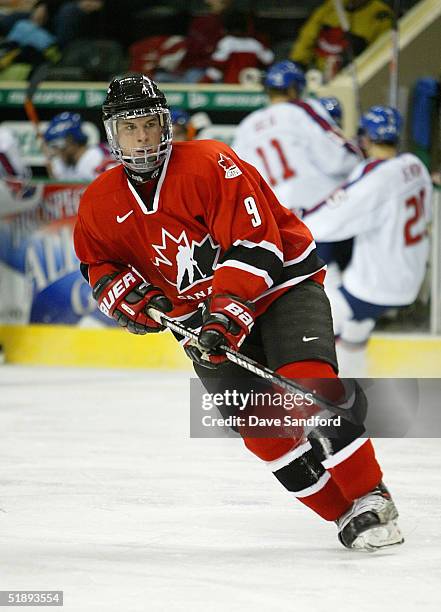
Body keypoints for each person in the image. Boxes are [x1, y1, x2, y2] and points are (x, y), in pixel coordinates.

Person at [73, 73, 404, 551]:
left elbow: (258, 244)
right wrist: (130, 298)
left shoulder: (211, 162)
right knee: (262, 429)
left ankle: (370, 495)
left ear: (167, 124)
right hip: (199, 322)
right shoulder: (100, 202)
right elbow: (98, 264)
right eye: (131, 128)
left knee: (309, 385)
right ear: (113, 134)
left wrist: (226, 315)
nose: (142, 136)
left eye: (150, 123)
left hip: (280, 288)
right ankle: (345, 513)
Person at [303, 106, 432, 376]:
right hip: (409, 279)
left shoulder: (375, 178)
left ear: (366, 138)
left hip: (374, 286)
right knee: (356, 330)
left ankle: (315, 396)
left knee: (314, 326)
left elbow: (324, 222)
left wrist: (294, 221)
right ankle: (354, 387)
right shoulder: (416, 166)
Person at [232, 60, 361, 215]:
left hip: (273, 219)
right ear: (294, 89)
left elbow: (235, 180)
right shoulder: (300, 110)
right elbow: (338, 161)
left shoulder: (247, 125)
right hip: (314, 210)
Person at [289, 0, 393, 81]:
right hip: (321, 73)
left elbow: (382, 52)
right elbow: (307, 37)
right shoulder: (333, 6)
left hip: (356, 77)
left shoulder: (380, 14)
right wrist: (297, 62)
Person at [43, 111, 116, 181]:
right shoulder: (66, 163)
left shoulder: (94, 159)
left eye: (59, 145)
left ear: (72, 141)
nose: (57, 150)